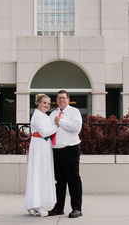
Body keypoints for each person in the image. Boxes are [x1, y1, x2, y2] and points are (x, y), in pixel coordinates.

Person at [49, 90, 83, 218]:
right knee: (60, 181)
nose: (61, 100)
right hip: (56, 151)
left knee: (74, 180)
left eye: (63, 98)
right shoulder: (53, 114)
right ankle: (59, 208)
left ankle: (77, 208)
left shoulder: (74, 112)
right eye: (59, 98)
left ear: (68, 100)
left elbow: (76, 128)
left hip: (70, 150)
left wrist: (60, 121)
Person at [25, 93, 58, 217]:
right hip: (39, 146)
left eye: (49, 103)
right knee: (37, 173)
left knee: (43, 173)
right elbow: (44, 132)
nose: (47, 105)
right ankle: (35, 204)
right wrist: (57, 126)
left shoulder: (44, 115)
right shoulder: (38, 116)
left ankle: (38, 202)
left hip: (44, 147)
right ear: (39, 103)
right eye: (44, 103)